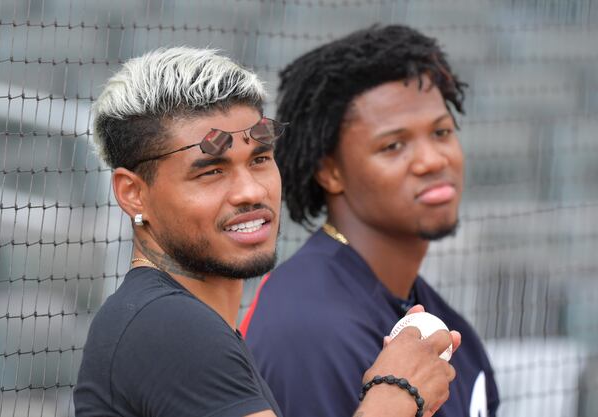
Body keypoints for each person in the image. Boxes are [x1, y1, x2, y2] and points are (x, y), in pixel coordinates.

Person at [74, 46, 459, 417]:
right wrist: (398, 390)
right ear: (133, 193)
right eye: (211, 171)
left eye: (260, 159)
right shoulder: (168, 326)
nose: (252, 191)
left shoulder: (182, 321)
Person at [241, 25, 500, 417]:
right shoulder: (308, 330)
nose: (433, 159)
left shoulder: (440, 316)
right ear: (330, 172)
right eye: (393, 145)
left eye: (442, 132)